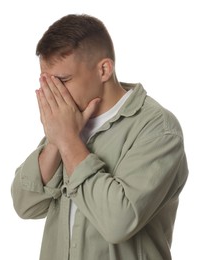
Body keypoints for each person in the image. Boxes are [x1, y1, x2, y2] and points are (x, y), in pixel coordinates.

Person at [11, 14, 188, 260]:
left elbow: (118, 223)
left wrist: (68, 140)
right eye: (47, 82)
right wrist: (54, 142)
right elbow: (24, 205)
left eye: (63, 80)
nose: (53, 93)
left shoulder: (158, 128)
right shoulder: (69, 124)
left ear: (104, 69)